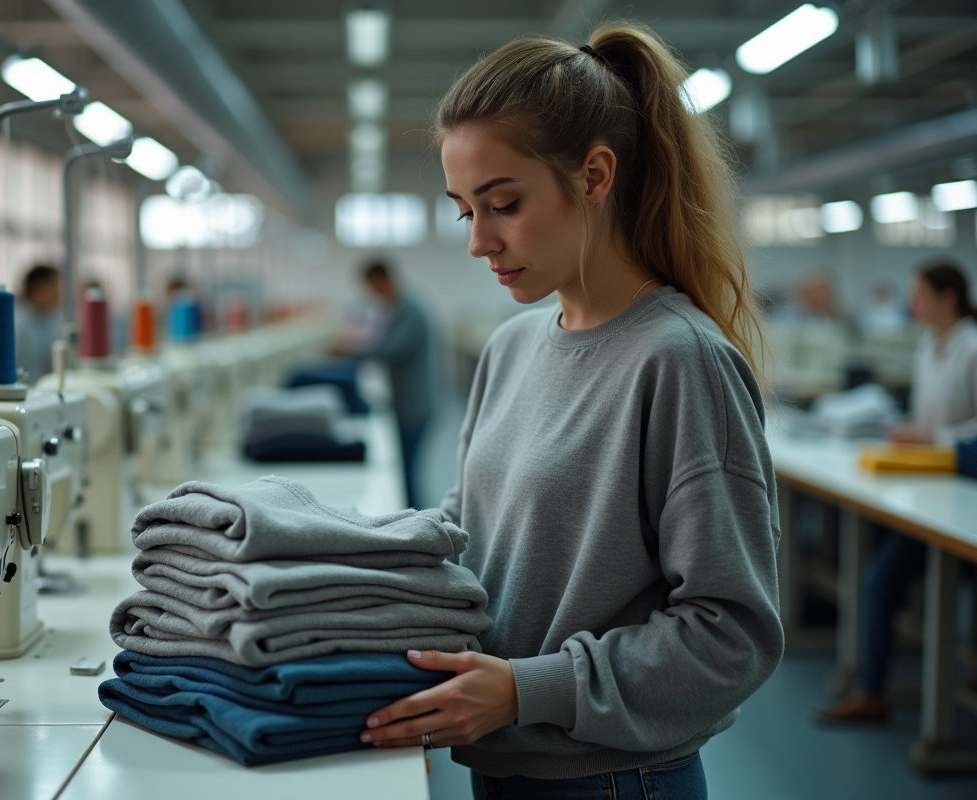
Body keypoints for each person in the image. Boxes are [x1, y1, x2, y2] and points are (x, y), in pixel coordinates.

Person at [355, 28, 784, 799]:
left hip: (615, 780)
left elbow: (732, 635)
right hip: (506, 766)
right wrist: (345, 574)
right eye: (464, 212)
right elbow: (471, 529)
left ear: (594, 175)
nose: (480, 241)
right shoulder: (512, 347)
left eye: (504, 204)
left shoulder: (679, 360)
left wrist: (527, 690)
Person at [815, 260, 977, 724]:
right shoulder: (930, 346)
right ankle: (874, 679)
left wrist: (936, 439)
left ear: (948, 298)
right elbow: (931, 420)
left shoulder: (971, 348)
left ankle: (874, 689)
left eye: (920, 295)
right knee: (878, 575)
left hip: (960, 488)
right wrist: (912, 430)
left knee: (879, 579)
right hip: (930, 485)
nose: (912, 305)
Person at [347, 261, 435, 509]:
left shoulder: (410, 311)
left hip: (414, 406)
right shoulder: (398, 309)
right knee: (404, 475)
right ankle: (415, 526)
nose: (370, 294)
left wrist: (350, 351)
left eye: (371, 287)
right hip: (406, 402)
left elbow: (391, 350)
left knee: (406, 475)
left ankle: (418, 531)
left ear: (382, 280)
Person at [15, 264, 62, 381]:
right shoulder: (18, 325)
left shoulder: (50, 319)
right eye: (54, 287)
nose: (59, 293)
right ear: (38, 288)